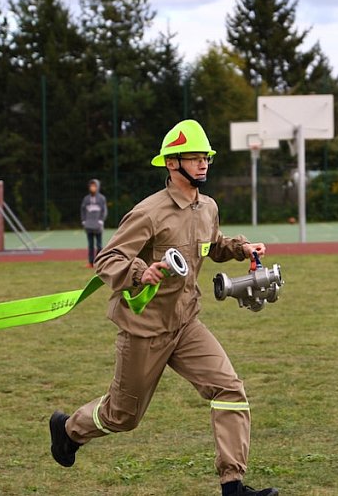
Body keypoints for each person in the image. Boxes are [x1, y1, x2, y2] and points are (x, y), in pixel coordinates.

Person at [49, 120, 279, 496]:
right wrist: (142, 271)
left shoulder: (208, 207)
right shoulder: (149, 212)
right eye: (194, 157)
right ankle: (68, 431)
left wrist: (242, 248)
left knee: (230, 390)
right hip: (145, 329)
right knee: (122, 416)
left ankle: (233, 486)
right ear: (172, 164)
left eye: (206, 157)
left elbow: (213, 245)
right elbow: (107, 259)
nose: (203, 163)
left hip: (186, 323)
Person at [80, 178, 108, 268]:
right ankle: (90, 262)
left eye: (94, 186)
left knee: (99, 245)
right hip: (89, 225)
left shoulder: (101, 198)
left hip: (98, 225)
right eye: (91, 186)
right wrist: (84, 220)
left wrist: (101, 220)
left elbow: (104, 211)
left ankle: (99, 263)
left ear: (98, 187)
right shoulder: (86, 199)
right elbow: (83, 210)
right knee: (90, 245)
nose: (92, 188)